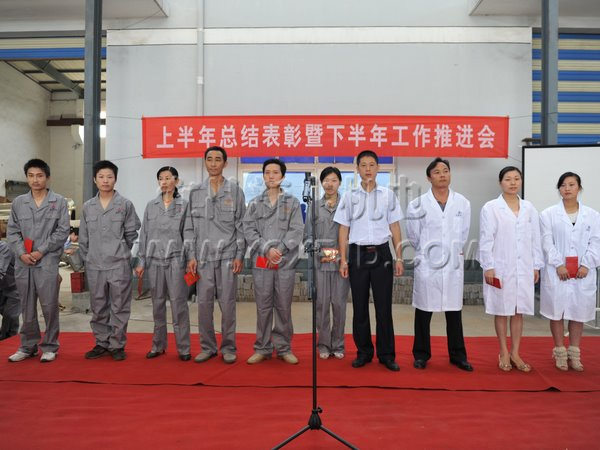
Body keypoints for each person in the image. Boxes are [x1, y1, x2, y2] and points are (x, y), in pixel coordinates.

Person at [334, 150, 404, 372]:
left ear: (378, 168)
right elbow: (343, 228)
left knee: (384, 307)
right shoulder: (349, 196)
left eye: (372, 165)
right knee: (360, 307)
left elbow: (395, 226)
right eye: (363, 165)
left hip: (382, 253)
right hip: (358, 254)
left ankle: (386, 354)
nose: (367, 169)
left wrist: (399, 257)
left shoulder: (388, 195)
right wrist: (343, 259)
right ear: (357, 169)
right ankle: (363, 352)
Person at [406, 158, 473, 371]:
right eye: (437, 172)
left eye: (445, 171)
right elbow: (413, 236)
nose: (442, 175)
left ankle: (458, 355)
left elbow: (463, 233)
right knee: (423, 311)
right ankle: (421, 354)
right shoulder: (417, 205)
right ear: (429, 177)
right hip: (428, 263)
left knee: (454, 312)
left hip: (452, 263)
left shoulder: (462, 202)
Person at [478, 166, 543, 372]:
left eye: (516, 178)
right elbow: (486, 238)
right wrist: (488, 266)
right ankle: (503, 351)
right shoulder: (491, 208)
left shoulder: (529, 208)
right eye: (508, 179)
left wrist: (536, 265)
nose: (513, 182)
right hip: (500, 266)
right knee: (501, 310)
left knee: (518, 311)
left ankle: (515, 352)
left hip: (524, 266)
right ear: (500, 183)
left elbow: (536, 238)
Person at [186, 147, 246, 364]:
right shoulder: (195, 192)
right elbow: (189, 227)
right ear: (205, 162)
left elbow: (241, 226)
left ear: (225, 163)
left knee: (228, 305)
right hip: (203, 258)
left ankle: (228, 347)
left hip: (228, 256)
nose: (213, 163)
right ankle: (207, 347)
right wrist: (191, 256)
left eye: (217, 159)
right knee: (204, 304)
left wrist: (239, 255)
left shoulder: (235, 191)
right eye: (209, 159)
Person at [6, 159, 70, 362]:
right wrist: (21, 253)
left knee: (49, 305)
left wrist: (41, 251)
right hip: (23, 262)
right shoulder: (19, 203)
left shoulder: (59, 202)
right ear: (27, 178)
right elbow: (12, 231)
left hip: (47, 261)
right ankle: (27, 346)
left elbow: (62, 231)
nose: (35, 180)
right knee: (26, 306)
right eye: (31, 176)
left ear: (47, 177)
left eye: (40, 175)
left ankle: (50, 346)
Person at [243, 158, 303, 364]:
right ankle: (263, 347)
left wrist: (280, 250)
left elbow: (297, 230)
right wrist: (267, 249)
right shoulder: (254, 203)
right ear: (263, 176)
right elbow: (248, 230)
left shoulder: (292, 202)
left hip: (285, 262)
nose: (271, 176)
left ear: (283, 177)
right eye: (267, 172)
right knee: (263, 306)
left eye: (275, 172)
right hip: (262, 261)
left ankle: (284, 347)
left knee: (283, 306)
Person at [79, 160, 141, 361]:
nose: (105, 180)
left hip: (118, 264)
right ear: (94, 180)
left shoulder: (125, 205)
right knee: (98, 306)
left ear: (115, 179)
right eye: (101, 177)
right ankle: (101, 342)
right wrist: (88, 259)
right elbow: (83, 238)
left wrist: (121, 252)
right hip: (95, 265)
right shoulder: (88, 207)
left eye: (109, 176)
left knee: (120, 306)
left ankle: (117, 345)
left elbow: (132, 234)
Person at [540, 172, 600, 372]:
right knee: (556, 312)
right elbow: (546, 242)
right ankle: (560, 352)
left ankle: (574, 353)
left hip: (583, 273)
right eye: (563, 185)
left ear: (579, 188)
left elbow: (596, 242)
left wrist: (586, 264)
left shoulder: (592, 215)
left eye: (572, 185)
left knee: (577, 312)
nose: (567, 188)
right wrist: (558, 264)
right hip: (557, 271)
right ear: (559, 189)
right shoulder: (548, 214)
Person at [135, 166, 193, 361]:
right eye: (161, 178)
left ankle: (183, 348)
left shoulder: (184, 205)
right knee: (157, 304)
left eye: (168, 178)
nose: (165, 182)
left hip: (176, 260)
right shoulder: (151, 206)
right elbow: (144, 234)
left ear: (176, 181)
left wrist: (191, 258)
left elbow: (188, 234)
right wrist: (141, 261)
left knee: (178, 305)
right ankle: (158, 345)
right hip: (154, 261)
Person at [304, 167, 349, 360]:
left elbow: (352, 233)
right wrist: (318, 249)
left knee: (339, 305)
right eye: (326, 180)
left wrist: (341, 255)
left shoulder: (347, 205)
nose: (330, 184)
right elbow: (307, 235)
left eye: (334, 180)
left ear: (340, 183)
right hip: (320, 263)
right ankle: (323, 344)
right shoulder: (314, 206)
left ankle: (338, 344)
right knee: (321, 305)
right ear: (321, 183)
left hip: (341, 263)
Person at [0, 240, 20, 340]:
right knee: (6, 313)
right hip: (2, 287)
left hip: (15, 286)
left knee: (10, 315)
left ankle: (8, 339)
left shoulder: (4, 248)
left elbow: (0, 270)